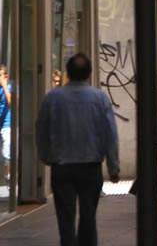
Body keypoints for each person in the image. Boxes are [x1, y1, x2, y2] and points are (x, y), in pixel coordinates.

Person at [36, 53, 119, 245]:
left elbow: (41, 129)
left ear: (68, 72)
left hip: (62, 166)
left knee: (65, 218)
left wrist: (46, 156)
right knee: (88, 215)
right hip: (90, 166)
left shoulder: (52, 98)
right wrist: (113, 167)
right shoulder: (100, 98)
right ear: (89, 73)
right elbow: (110, 135)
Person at [0, 65, 11, 184]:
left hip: (7, 124)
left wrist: (4, 86)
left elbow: (11, 103)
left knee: (8, 150)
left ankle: (8, 175)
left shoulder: (10, 87)